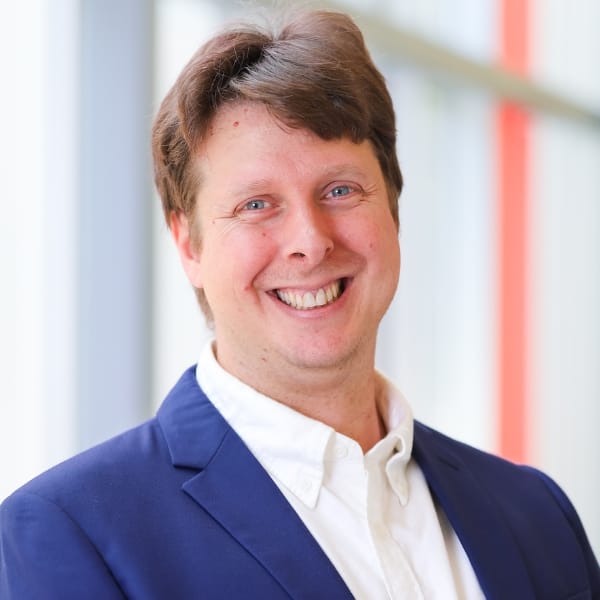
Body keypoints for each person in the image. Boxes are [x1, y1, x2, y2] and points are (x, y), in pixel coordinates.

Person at [1, 8, 598, 599]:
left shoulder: (536, 515)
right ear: (188, 244)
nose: (311, 242)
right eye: (256, 205)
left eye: (340, 190)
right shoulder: (68, 536)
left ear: (392, 210)